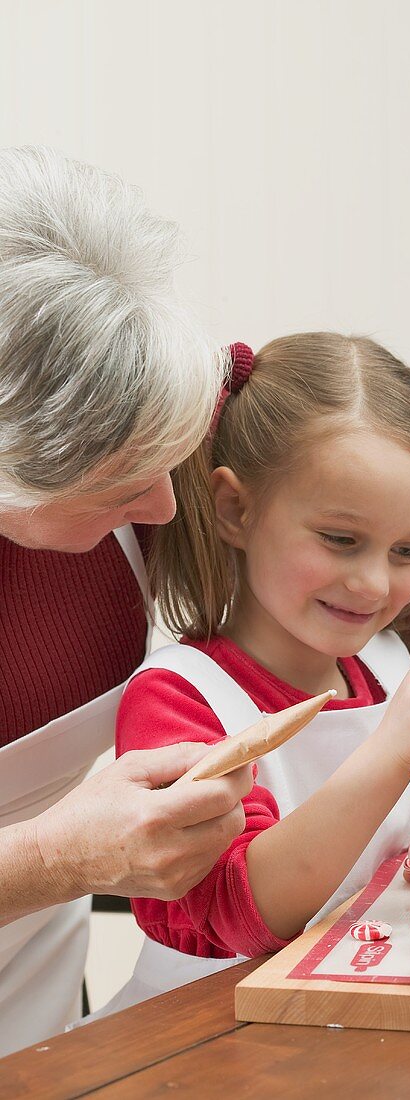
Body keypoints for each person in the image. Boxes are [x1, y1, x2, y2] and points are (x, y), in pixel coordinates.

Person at [101, 333, 410, 1010]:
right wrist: (390, 756)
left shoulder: (389, 664)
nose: (374, 583)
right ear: (234, 508)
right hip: (199, 1039)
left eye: (408, 551)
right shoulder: (178, 698)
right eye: (341, 540)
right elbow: (244, 911)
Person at [0, 147, 254, 1056]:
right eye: (115, 486)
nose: (163, 507)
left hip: (32, 1005)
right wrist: (57, 859)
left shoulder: (135, 399)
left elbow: (382, 542)